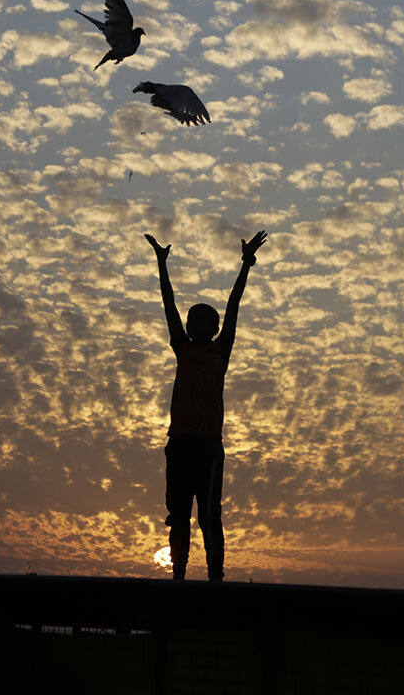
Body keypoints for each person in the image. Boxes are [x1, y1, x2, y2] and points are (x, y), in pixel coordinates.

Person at [144, 229, 267, 582]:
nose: (198, 325)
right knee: (179, 514)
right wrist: (161, 264)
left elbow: (234, 304)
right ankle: (178, 575)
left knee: (209, 516)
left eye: (205, 321)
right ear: (188, 326)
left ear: (212, 328)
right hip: (181, 443)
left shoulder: (220, 351)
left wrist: (246, 265)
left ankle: (215, 577)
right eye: (193, 320)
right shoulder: (182, 348)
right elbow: (168, 305)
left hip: (209, 447)